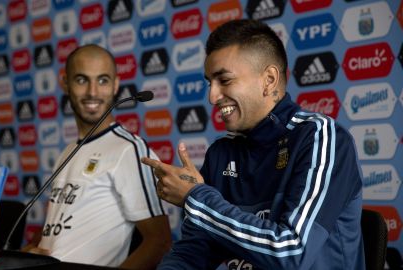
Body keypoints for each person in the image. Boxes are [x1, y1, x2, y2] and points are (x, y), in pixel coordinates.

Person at [141, 19, 365, 269]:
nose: (212, 97)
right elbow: (193, 252)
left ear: (269, 79)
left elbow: (291, 252)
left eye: (224, 81)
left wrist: (195, 198)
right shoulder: (221, 152)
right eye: (209, 83)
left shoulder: (320, 137)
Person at [27, 44, 172, 269]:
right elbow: (56, 224)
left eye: (103, 80)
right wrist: (24, 254)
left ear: (115, 85)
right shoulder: (67, 151)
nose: (92, 92)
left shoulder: (129, 150)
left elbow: (159, 241)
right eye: (82, 80)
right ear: (65, 83)